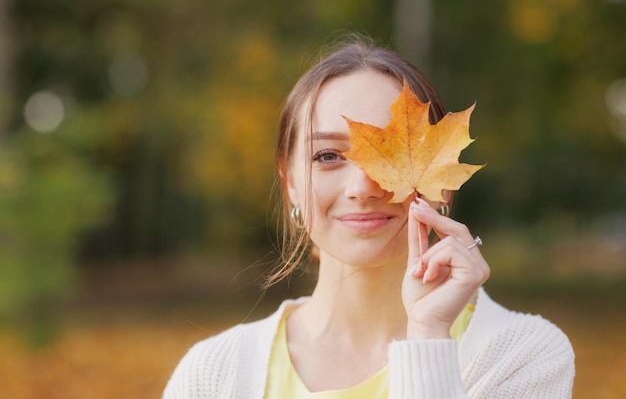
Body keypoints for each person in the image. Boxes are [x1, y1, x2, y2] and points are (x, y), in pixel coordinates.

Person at [163, 35, 575, 398]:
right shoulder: (213, 375)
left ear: (443, 178)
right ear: (289, 181)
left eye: (390, 155)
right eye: (327, 156)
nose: (362, 188)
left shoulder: (522, 356)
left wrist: (428, 338)